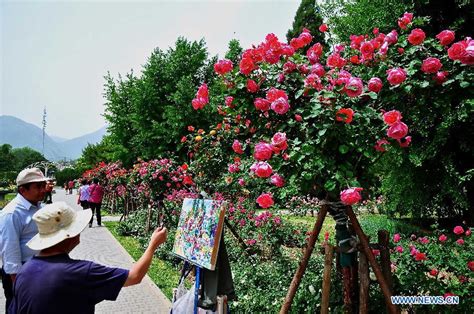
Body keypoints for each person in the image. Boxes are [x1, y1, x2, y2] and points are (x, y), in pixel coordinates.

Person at [9, 202, 168, 314]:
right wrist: (153, 244)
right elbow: (134, 276)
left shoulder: (25, 270)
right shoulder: (81, 272)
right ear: (68, 236)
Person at [0, 168, 48, 312]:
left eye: (43, 185)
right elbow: (9, 250)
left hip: (38, 268)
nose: (43, 190)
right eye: (37, 187)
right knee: (18, 307)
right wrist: (18, 282)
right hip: (21, 272)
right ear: (22, 190)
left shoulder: (38, 206)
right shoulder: (12, 213)